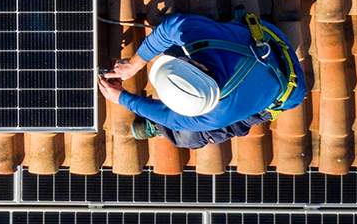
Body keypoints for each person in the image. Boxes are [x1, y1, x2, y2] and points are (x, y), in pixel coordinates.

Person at [98, 11, 306, 149]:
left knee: (188, 137)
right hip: (274, 48)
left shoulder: (214, 118)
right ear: (202, 67)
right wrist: (133, 65)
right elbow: (169, 28)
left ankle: (158, 129)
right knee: (172, 47)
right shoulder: (203, 39)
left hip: (285, 83)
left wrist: (124, 98)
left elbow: (169, 119)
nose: (179, 58)